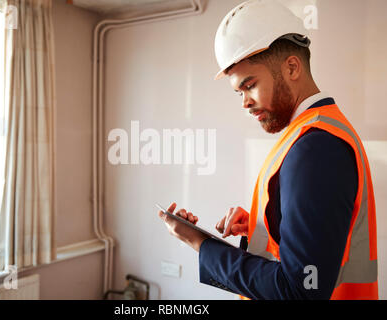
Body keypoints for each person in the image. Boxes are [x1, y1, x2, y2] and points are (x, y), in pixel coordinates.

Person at [157, 0, 378, 300]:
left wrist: (202, 245)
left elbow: (301, 291)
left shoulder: (316, 146)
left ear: (291, 67)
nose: (244, 102)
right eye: (239, 92)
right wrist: (261, 224)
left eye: (249, 85)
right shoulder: (311, 133)